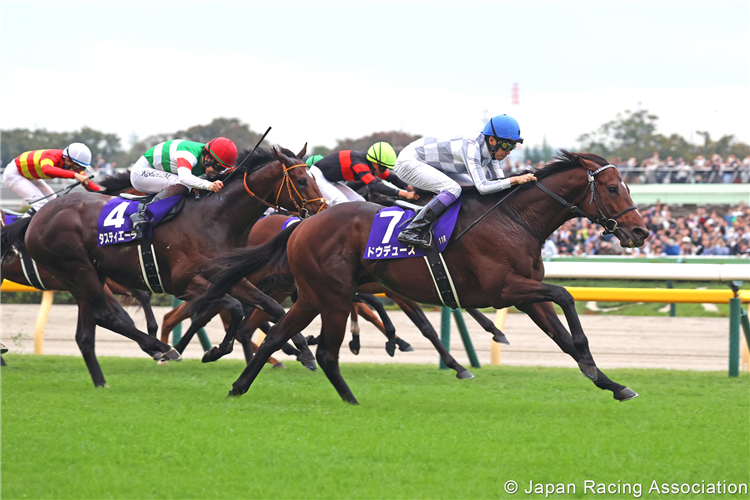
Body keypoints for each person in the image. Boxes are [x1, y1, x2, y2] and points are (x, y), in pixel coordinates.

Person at [394, 114, 536, 249]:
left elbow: (499, 183)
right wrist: (515, 179)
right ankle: (411, 230)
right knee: (453, 189)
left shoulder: (491, 152)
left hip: (431, 164)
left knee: (469, 187)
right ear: (492, 140)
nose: (509, 152)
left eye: (512, 146)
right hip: (409, 162)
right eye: (506, 146)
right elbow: (483, 187)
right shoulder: (471, 146)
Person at [128, 137, 237, 238]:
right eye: (217, 167)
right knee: (185, 184)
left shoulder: (207, 158)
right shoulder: (189, 154)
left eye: (222, 169)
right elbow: (185, 178)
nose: (217, 172)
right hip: (141, 174)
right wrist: (209, 185)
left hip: (159, 171)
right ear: (208, 157)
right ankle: (142, 215)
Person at [3, 143, 100, 216]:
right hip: (14, 174)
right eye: (76, 167)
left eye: (81, 168)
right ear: (67, 160)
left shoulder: (71, 165)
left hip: (30, 176)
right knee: (40, 205)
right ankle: (16, 236)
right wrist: (74, 175)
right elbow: (47, 170)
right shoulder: (50, 155)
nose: (78, 170)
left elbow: (87, 181)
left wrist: (102, 192)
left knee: (54, 204)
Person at [307, 142, 418, 206]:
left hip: (330, 179)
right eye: (383, 168)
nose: (383, 171)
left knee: (360, 202)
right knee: (341, 202)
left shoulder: (372, 165)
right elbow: (374, 185)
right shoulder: (360, 165)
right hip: (317, 176)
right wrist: (405, 194)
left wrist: (410, 188)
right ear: (375, 163)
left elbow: (391, 177)